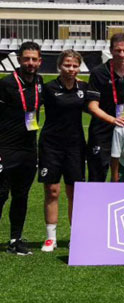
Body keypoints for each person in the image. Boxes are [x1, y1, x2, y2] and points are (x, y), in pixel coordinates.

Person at [38, 50, 88, 252]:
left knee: (73, 192)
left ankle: (75, 236)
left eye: (75, 65)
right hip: (51, 145)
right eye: (67, 65)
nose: (71, 69)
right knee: (52, 190)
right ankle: (51, 238)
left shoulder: (84, 87)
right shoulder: (48, 88)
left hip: (75, 146)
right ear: (60, 66)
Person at [0, 41, 44, 255]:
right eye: (26, 58)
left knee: (21, 196)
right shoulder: (6, 83)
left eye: (34, 59)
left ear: (40, 61)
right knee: (0, 195)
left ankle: (15, 239)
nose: (30, 63)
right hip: (5, 148)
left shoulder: (40, 83)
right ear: (19, 60)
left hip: (28, 150)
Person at [86, 33, 124, 182]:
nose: (122, 54)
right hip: (102, 131)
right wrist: (113, 120)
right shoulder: (99, 72)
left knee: (122, 176)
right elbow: (92, 106)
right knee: (97, 175)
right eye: (118, 50)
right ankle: (95, 205)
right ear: (111, 50)